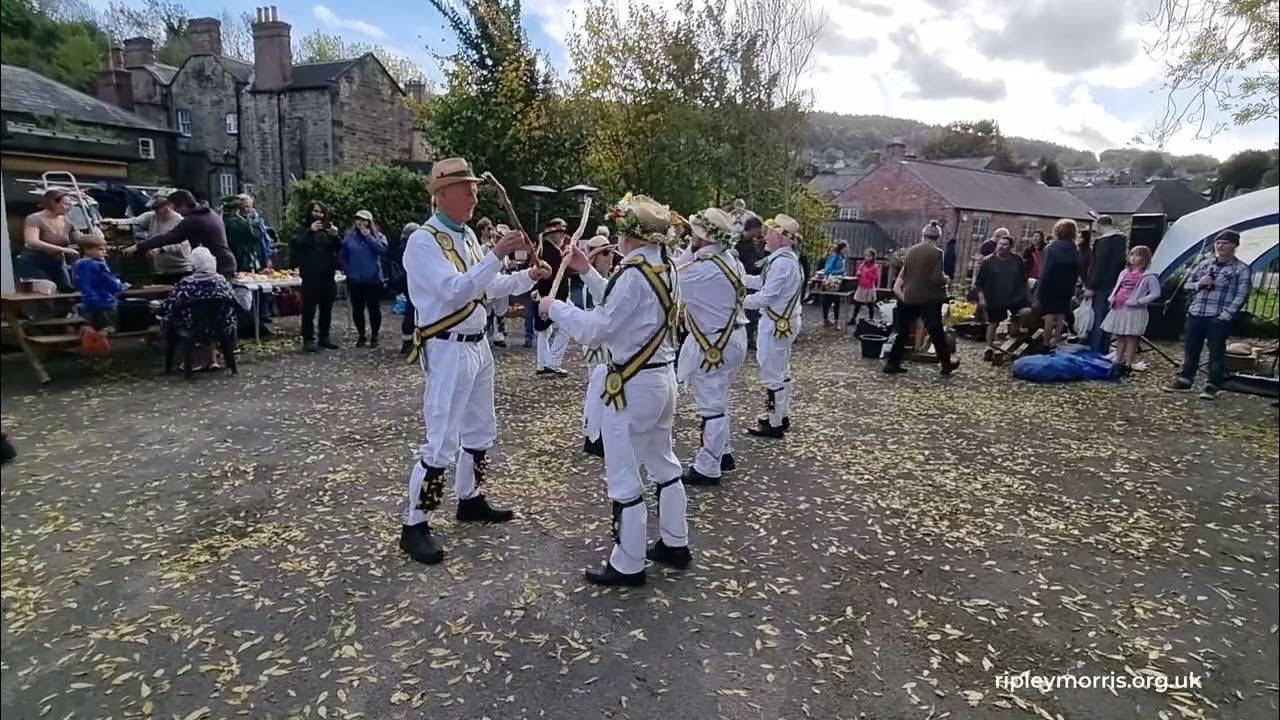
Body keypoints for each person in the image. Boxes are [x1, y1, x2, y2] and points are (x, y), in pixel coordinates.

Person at [398, 158, 550, 566]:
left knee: (480, 429)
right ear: (440, 193)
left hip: (478, 345)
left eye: (474, 188)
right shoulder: (424, 242)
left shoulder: (465, 236)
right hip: (447, 347)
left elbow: (486, 287)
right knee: (441, 437)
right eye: (465, 189)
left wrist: (525, 279)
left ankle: (470, 498)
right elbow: (453, 291)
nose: (474, 196)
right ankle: (415, 522)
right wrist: (497, 254)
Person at [540, 194, 688, 587]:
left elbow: (599, 327)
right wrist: (587, 270)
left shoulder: (633, 272)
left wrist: (553, 308)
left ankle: (628, 562)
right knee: (663, 462)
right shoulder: (665, 267)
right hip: (663, 380)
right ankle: (675, 542)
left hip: (634, 385)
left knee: (624, 475)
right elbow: (628, 306)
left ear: (629, 235)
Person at [674, 207, 747, 485]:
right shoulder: (732, 261)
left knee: (711, 405)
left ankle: (707, 467)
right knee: (720, 397)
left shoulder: (703, 269)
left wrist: (687, 251)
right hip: (733, 338)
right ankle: (723, 453)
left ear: (703, 237)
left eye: (694, 232)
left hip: (714, 343)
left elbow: (671, 280)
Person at [1164, 230, 1251, 400]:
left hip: (1218, 315)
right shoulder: (1205, 264)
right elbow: (1187, 285)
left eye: (1224, 243)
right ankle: (1185, 379)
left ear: (1234, 245)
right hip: (1197, 312)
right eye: (1218, 243)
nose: (1220, 246)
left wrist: (1227, 314)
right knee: (1191, 349)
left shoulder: (1240, 268)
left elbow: (1242, 294)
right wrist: (1199, 284)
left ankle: (1213, 384)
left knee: (1216, 351)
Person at [744, 214, 805, 438]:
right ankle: (781, 414)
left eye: (770, 233)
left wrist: (736, 301)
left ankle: (774, 421)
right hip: (783, 321)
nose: (765, 237)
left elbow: (766, 296)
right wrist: (738, 277)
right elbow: (761, 283)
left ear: (780, 238)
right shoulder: (785, 260)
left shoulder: (781, 263)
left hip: (776, 323)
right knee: (781, 370)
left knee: (772, 372)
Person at [884, 221, 959, 376]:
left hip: (909, 295)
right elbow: (936, 278)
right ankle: (946, 364)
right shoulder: (937, 253)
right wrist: (946, 279)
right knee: (935, 330)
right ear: (938, 236)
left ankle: (892, 363)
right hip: (929, 298)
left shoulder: (911, 251)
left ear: (923, 235)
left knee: (903, 331)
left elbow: (906, 273)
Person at [155, 247, 239, 370]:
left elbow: (168, 306)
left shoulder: (186, 283)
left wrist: (157, 310)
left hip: (192, 327)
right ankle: (211, 359)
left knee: (171, 320)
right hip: (220, 326)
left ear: (193, 265)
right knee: (211, 320)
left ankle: (190, 361)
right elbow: (233, 301)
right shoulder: (222, 281)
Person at [126, 190, 237, 277]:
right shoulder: (209, 213)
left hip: (217, 266)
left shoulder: (194, 220)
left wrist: (138, 247)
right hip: (225, 262)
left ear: (183, 205)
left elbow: (170, 237)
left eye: (175, 208)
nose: (175, 212)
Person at [579, 233, 621, 458]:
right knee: (597, 386)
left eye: (612, 251)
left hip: (608, 340)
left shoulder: (611, 277)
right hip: (596, 341)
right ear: (593, 258)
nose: (611, 256)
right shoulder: (591, 280)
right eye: (605, 253)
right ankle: (593, 436)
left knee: (606, 386)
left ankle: (600, 433)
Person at [18, 189, 95, 292]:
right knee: (46, 291)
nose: (70, 207)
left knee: (67, 289)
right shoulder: (34, 219)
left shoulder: (66, 221)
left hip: (56, 262)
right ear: (53, 203)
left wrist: (96, 239)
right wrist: (63, 250)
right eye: (66, 204)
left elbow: (78, 238)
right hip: (34, 262)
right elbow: (32, 241)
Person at [1100, 245, 1160, 373]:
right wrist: (1112, 297)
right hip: (1119, 308)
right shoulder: (1124, 273)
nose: (1133, 258)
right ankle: (1118, 359)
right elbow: (1118, 286)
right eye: (1131, 255)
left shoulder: (1148, 276)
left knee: (1131, 336)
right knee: (1120, 335)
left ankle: (1128, 363)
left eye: (1137, 255)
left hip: (1134, 311)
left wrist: (1138, 301)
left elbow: (1155, 293)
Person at [291, 201, 341, 352]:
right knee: (309, 309)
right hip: (310, 274)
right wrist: (310, 232)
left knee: (326, 308)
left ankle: (324, 337)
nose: (318, 215)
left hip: (327, 274)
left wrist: (336, 235)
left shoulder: (327, 230)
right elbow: (296, 244)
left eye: (320, 212)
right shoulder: (302, 229)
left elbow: (338, 248)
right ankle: (308, 338)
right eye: (315, 211)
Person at [975, 234, 1029, 359]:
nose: (1001, 247)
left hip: (1014, 296)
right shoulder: (988, 261)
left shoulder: (1017, 260)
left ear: (1010, 247)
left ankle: (1014, 335)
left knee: (1026, 311)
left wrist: (1024, 294)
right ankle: (988, 346)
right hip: (994, 296)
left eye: (1005, 245)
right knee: (993, 322)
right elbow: (979, 283)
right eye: (1000, 244)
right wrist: (982, 298)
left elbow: (1023, 279)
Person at [340, 210, 388, 348]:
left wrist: (369, 237)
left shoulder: (378, 236)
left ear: (369, 222)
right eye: (358, 219)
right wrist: (347, 270)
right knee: (357, 309)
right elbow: (343, 255)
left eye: (364, 220)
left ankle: (374, 335)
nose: (360, 222)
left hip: (372, 278)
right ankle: (361, 334)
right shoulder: (349, 237)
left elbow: (382, 250)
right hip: (355, 279)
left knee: (374, 308)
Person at [534, 218, 572, 375]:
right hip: (552, 296)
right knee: (566, 327)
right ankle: (552, 362)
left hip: (549, 296)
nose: (562, 236)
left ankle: (543, 364)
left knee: (545, 332)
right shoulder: (550, 252)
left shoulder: (547, 250)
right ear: (552, 234)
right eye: (560, 233)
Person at [1036, 219, 1081, 350]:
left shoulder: (1051, 248)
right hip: (1067, 285)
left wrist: (1039, 291)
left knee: (1049, 314)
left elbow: (1045, 270)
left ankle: (1046, 342)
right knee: (1061, 313)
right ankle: (1056, 341)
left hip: (1051, 284)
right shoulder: (1075, 250)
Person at [1085, 215, 1127, 352]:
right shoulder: (1121, 241)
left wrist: (1090, 286)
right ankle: (1104, 348)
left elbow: (1098, 266)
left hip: (1101, 285)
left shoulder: (1103, 242)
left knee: (1098, 317)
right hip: (1115, 284)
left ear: (1099, 225)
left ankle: (1095, 349)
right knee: (1108, 318)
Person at [132, 189, 191, 285]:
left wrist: (160, 249)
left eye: (157, 208)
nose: (155, 211)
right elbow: (136, 222)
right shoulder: (153, 218)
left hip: (179, 269)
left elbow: (181, 244)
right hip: (159, 269)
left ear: (167, 207)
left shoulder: (180, 221)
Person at [72, 235, 129, 332]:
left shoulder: (77, 265)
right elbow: (111, 283)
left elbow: (77, 283)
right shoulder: (99, 265)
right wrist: (123, 286)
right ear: (87, 250)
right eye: (100, 249)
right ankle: (103, 338)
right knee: (109, 327)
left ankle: (88, 334)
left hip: (88, 302)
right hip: (105, 301)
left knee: (93, 325)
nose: (104, 252)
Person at [735, 216, 766, 351]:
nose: (760, 233)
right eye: (758, 229)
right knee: (746, 310)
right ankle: (746, 336)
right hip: (743, 279)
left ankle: (750, 336)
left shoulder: (753, 243)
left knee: (753, 312)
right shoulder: (739, 244)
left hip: (752, 279)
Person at [390, 222, 421, 355]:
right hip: (410, 282)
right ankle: (409, 342)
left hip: (405, 282)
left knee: (410, 310)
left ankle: (408, 341)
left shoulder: (399, 247)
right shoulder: (408, 248)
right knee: (412, 311)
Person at [487, 222, 514, 348]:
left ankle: (499, 335)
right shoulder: (486, 248)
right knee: (486, 310)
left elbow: (506, 266)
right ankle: (486, 334)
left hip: (501, 283)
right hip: (489, 284)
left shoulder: (505, 254)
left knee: (500, 311)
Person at [224, 195, 264, 275]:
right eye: (242, 207)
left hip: (254, 256)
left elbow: (261, 237)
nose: (246, 210)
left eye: (248, 206)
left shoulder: (256, 220)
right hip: (240, 257)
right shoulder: (234, 222)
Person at [819, 242, 848, 328]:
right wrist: (840, 272)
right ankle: (826, 320)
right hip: (830, 282)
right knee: (827, 301)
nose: (847, 250)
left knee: (837, 302)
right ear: (841, 248)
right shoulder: (834, 257)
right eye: (846, 248)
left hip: (837, 282)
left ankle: (836, 321)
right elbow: (827, 270)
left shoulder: (841, 258)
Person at [851, 248, 881, 325]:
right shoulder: (862, 265)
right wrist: (858, 274)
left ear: (873, 257)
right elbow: (858, 272)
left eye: (869, 256)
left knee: (870, 305)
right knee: (857, 304)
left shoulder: (875, 267)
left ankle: (871, 319)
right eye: (866, 256)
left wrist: (868, 273)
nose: (867, 258)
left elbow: (876, 278)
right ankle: (853, 319)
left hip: (869, 287)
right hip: (861, 286)